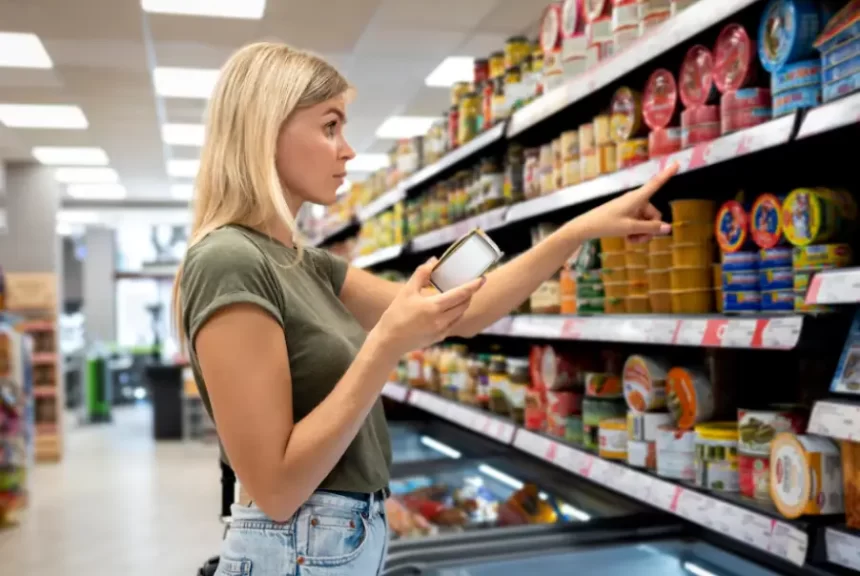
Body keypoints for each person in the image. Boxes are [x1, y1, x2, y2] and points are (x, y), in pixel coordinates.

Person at [172, 41, 679, 576]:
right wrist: (387, 343)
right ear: (265, 129)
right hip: (295, 546)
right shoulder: (228, 260)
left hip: (330, 543)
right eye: (329, 126)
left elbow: (463, 311)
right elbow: (275, 488)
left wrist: (578, 230)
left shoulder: (303, 262)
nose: (347, 150)